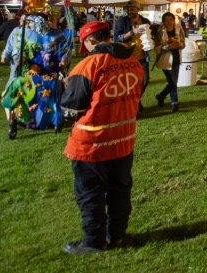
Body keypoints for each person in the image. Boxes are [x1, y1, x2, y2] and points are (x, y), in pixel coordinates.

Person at [60, 21, 143, 255]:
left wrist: (64, 89)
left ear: (90, 41)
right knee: (120, 190)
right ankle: (116, 235)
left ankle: (94, 241)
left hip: (91, 144)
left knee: (90, 194)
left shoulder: (87, 66)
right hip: (123, 140)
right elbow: (139, 91)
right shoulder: (133, 61)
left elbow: (71, 107)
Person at [113, 1, 152, 113]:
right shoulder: (122, 21)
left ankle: (135, 100)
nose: (129, 12)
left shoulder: (145, 21)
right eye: (128, 10)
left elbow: (151, 35)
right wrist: (132, 32)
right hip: (127, 56)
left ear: (138, 10)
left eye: (132, 9)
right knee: (129, 82)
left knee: (145, 80)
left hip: (143, 56)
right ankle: (134, 104)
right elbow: (116, 38)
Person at [154, 11, 186, 112]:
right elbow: (156, 47)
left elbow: (183, 43)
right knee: (172, 82)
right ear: (163, 21)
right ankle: (174, 104)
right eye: (166, 20)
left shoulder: (179, 29)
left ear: (174, 20)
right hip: (165, 59)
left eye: (171, 19)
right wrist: (167, 47)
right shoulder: (160, 31)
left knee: (174, 82)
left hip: (176, 57)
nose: (169, 22)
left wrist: (179, 44)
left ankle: (161, 96)